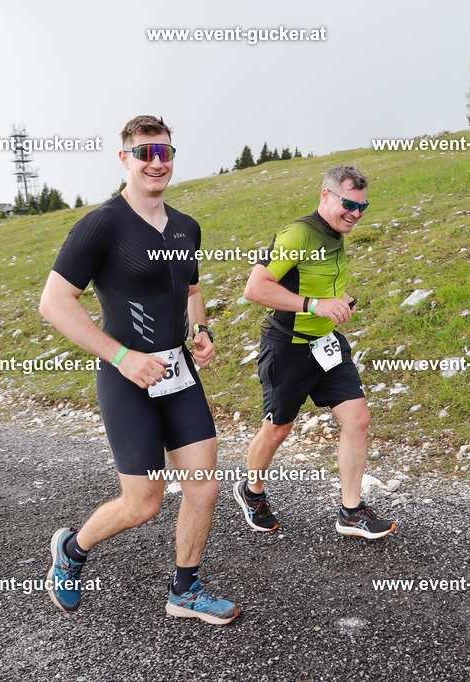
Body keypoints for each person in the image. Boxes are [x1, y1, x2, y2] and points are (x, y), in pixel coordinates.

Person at [38, 115, 238, 625]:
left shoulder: (186, 226)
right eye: (146, 152)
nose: (158, 161)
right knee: (144, 502)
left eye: (165, 151)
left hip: (179, 372)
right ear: (125, 159)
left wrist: (201, 332)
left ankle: (185, 591)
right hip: (126, 377)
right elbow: (55, 302)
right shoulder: (103, 224)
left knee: (203, 484)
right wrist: (121, 357)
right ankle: (72, 549)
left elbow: (191, 289)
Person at [237, 165, 395, 539]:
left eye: (362, 207)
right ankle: (252, 490)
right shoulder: (298, 233)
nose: (355, 214)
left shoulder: (335, 232)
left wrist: (340, 300)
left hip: (326, 345)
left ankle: (351, 511)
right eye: (348, 205)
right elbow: (256, 289)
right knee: (278, 430)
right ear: (325, 196)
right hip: (287, 348)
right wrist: (313, 305)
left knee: (358, 419)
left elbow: (316, 278)